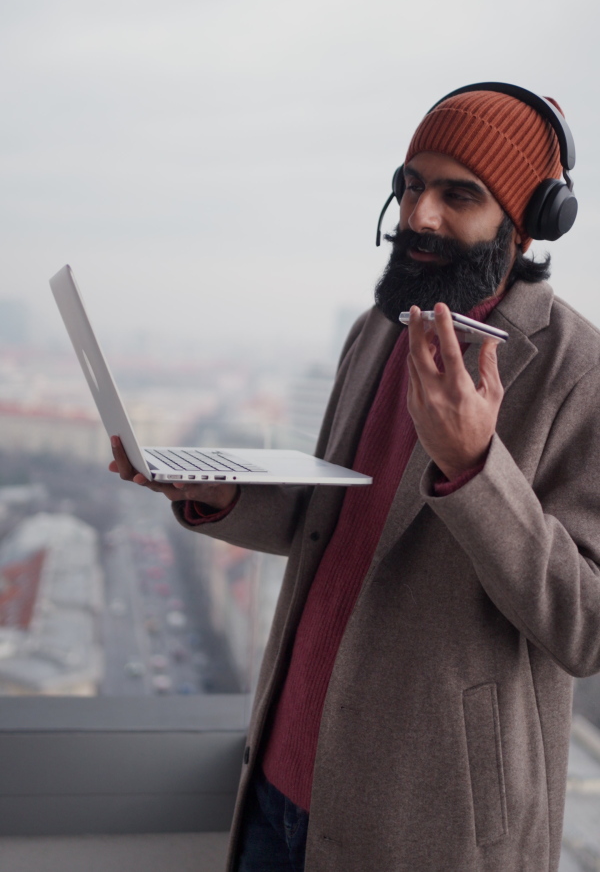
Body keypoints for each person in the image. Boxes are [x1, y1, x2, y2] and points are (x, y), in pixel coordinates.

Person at [110, 85, 600, 872]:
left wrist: (475, 467)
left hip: (428, 826)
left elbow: (586, 622)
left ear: (529, 220)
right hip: (276, 788)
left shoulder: (580, 373)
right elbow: (330, 516)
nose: (420, 215)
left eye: (457, 194)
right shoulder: (379, 330)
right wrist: (217, 492)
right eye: (411, 185)